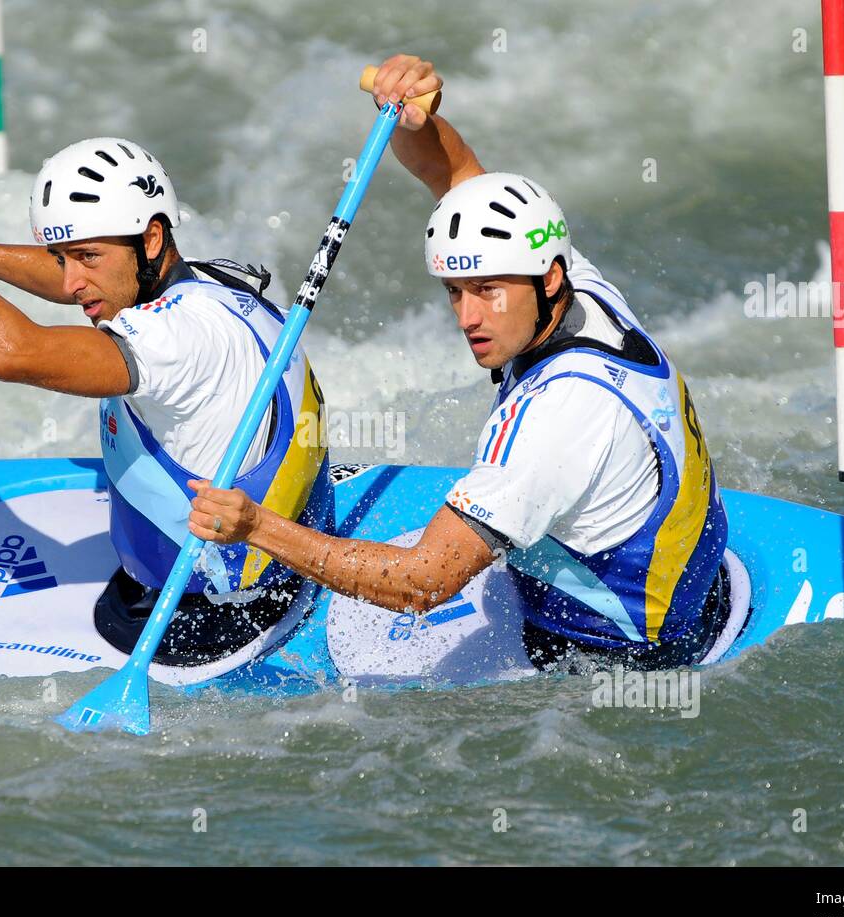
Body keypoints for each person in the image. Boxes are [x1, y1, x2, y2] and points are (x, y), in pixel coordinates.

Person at [185, 57, 732, 672]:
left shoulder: (557, 418)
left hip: (610, 659)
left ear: (547, 280)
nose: (468, 317)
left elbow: (422, 584)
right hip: (697, 589)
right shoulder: (580, 291)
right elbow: (462, 180)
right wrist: (416, 121)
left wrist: (258, 526)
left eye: (487, 290)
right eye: (454, 290)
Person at [0, 129, 333, 672]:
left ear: (151, 239)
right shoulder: (211, 285)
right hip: (285, 568)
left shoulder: (172, 339)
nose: (71, 282)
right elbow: (78, 278)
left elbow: (10, 354)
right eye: (62, 256)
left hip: (201, 617)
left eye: (86, 255)